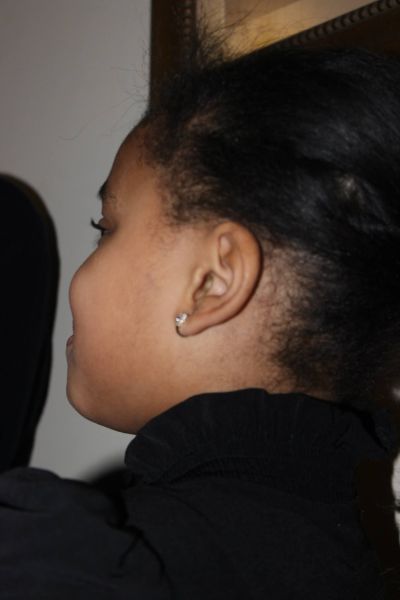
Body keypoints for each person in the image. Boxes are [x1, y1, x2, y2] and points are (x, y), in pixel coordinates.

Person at [1, 43, 399, 599]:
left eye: (105, 228)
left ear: (211, 283)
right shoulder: (338, 556)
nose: (83, 262)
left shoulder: (65, 565)